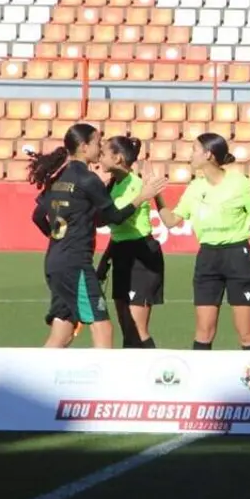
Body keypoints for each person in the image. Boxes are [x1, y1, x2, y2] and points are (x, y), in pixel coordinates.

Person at [28, 124, 166, 349]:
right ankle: (104, 383)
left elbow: (37, 217)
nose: (100, 147)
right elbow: (114, 216)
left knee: (61, 333)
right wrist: (142, 197)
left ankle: (30, 382)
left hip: (54, 261)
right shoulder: (88, 179)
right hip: (75, 264)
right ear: (84, 147)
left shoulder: (58, 177)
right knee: (102, 326)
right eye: (97, 142)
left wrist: (57, 238)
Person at [156, 133, 250, 350]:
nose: (190, 155)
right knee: (203, 332)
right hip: (207, 258)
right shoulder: (195, 187)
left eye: (194, 150)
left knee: (246, 334)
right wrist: (155, 195)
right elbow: (170, 221)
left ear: (208, 154)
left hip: (238, 256)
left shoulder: (240, 183)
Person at [93, 135, 166, 348]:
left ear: (117, 158)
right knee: (126, 327)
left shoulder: (135, 185)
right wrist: (105, 261)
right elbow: (115, 230)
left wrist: (144, 196)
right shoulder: (113, 184)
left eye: (104, 154)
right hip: (121, 254)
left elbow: (116, 216)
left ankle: (154, 376)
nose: (100, 157)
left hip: (142, 256)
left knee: (137, 329)